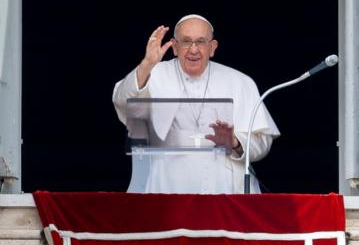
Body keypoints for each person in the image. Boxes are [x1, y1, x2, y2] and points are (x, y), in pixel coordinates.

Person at [113, 14, 279, 194]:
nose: (193, 50)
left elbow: (261, 142)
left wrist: (235, 141)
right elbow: (124, 104)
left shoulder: (240, 81)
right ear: (175, 47)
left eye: (200, 42)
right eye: (186, 41)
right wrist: (147, 64)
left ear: (212, 47)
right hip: (166, 190)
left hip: (223, 193)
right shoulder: (153, 74)